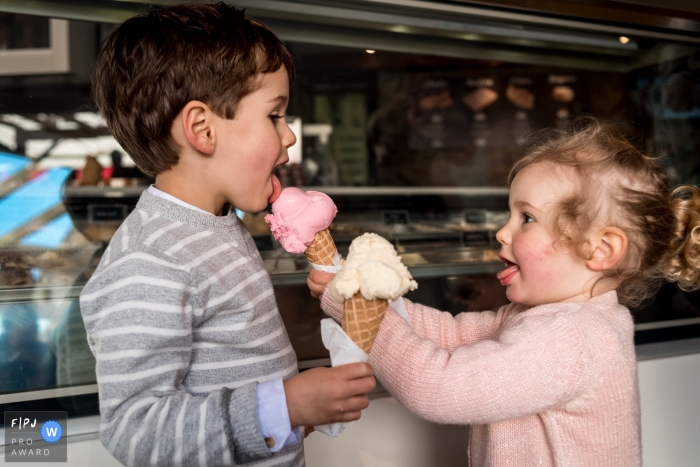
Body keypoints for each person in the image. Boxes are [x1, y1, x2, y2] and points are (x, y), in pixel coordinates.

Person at [308, 117, 700, 466]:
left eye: (526, 217)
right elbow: (448, 333)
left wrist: (361, 309)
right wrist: (355, 294)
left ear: (600, 250)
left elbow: (437, 387)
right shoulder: (545, 318)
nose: (502, 231)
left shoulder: (573, 340)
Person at [81, 3, 375, 466]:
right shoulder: (151, 259)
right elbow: (135, 431)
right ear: (202, 129)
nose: (290, 136)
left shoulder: (217, 222)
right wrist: (286, 406)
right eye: (274, 116)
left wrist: (298, 414)